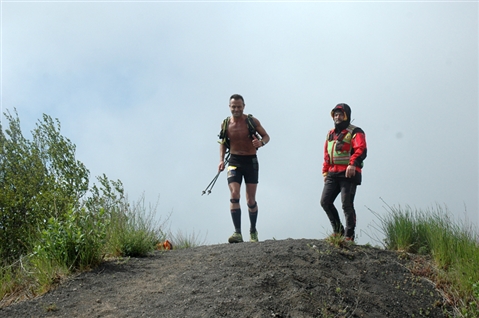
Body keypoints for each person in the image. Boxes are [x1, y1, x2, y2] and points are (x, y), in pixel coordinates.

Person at [218, 94, 270, 243]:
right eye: (233, 107)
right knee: (234, 194)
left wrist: (261, 143)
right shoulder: (225, 123)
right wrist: (221, 160)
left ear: (243, 106)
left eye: (239, 107)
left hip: (250, 161)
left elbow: (266, 136)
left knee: (251, 199)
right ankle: (237, 233)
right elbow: (222, 142)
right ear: (229, 107)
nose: (236, 109)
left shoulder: (251, 121)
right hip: (234, 160)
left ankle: (253, 230)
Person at [320, 103, 367, 242]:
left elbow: (361, 150)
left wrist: (353, 164)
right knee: (325, 202)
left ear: (346, 115)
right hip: (333, 173)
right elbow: (327, 155)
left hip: (349, 174)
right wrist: (325, 172)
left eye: (340, 114)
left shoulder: (355, 131)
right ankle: (338, 231)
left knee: (347, 205)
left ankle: (349, 236)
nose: (337, 117)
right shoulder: (330, 134)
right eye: (335, 114)